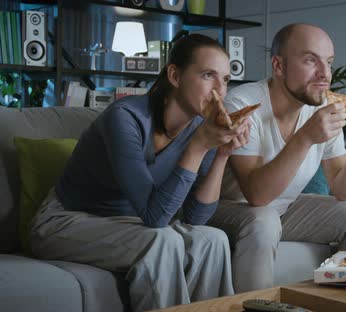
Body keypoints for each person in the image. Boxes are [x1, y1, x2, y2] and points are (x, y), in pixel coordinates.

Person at [28, 34, 250, 311]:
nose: (220, 90)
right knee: (161, 240)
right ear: (175, 75)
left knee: (213, 239)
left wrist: (220, 154)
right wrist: (197, 148)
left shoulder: (198, 128)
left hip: (128, 223)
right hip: (64, 221)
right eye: (208, 75)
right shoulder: (125, 118)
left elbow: (197, 217)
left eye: (226, 79)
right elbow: (156, 218)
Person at [208, 23, 346, 292]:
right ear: (278, 66)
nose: (325, 74)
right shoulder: (243, 104)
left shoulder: (325, 106)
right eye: (310, 61)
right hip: (228, 209)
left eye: (328, 62)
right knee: (264, 219)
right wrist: (305, 138)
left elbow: (343, 190)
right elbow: (257, 196)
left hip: (283, 210)